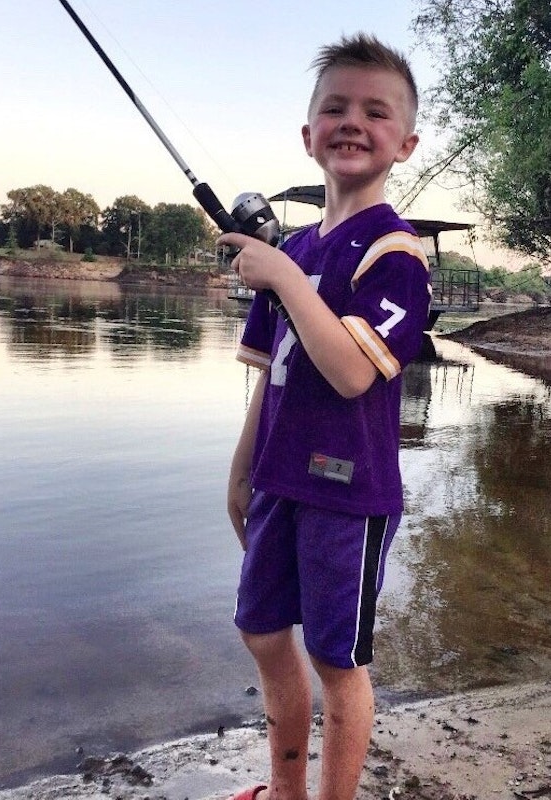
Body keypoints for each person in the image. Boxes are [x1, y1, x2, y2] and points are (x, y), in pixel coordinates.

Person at [219, 32, 430, 800]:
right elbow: (272, 377)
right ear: (308, 135)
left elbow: (346, 373)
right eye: (334, 107)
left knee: (338, 662)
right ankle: (286, 792)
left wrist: (279, 275)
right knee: (262, 631)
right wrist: (241, 473)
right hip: (276, 483)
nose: (353, 121)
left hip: (349, 497)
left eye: (376, 112)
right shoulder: (299, 246)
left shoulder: (396, 255)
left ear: (404, 144)